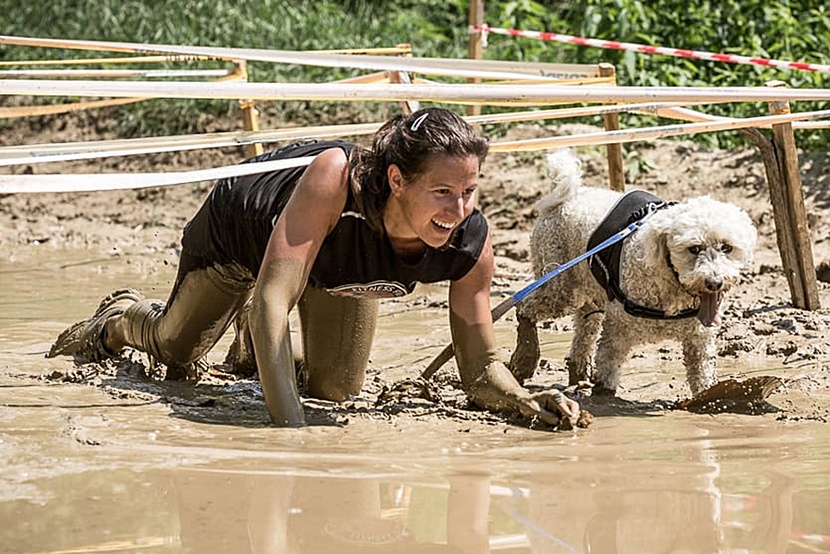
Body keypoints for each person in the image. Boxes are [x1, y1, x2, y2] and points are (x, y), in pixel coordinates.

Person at [48, 107, 580, 428]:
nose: (457, 210)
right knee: (177, 351)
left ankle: (252, 348)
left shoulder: (470, 242)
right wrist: (290, 433)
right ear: (396, 181)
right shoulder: (335, 177)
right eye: (441, 192)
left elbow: (481, 369)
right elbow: (271, 299)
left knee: (336, 389)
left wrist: (525, 401)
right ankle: (119, 318)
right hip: (241, 237)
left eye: (468, 191)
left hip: (332, 270)